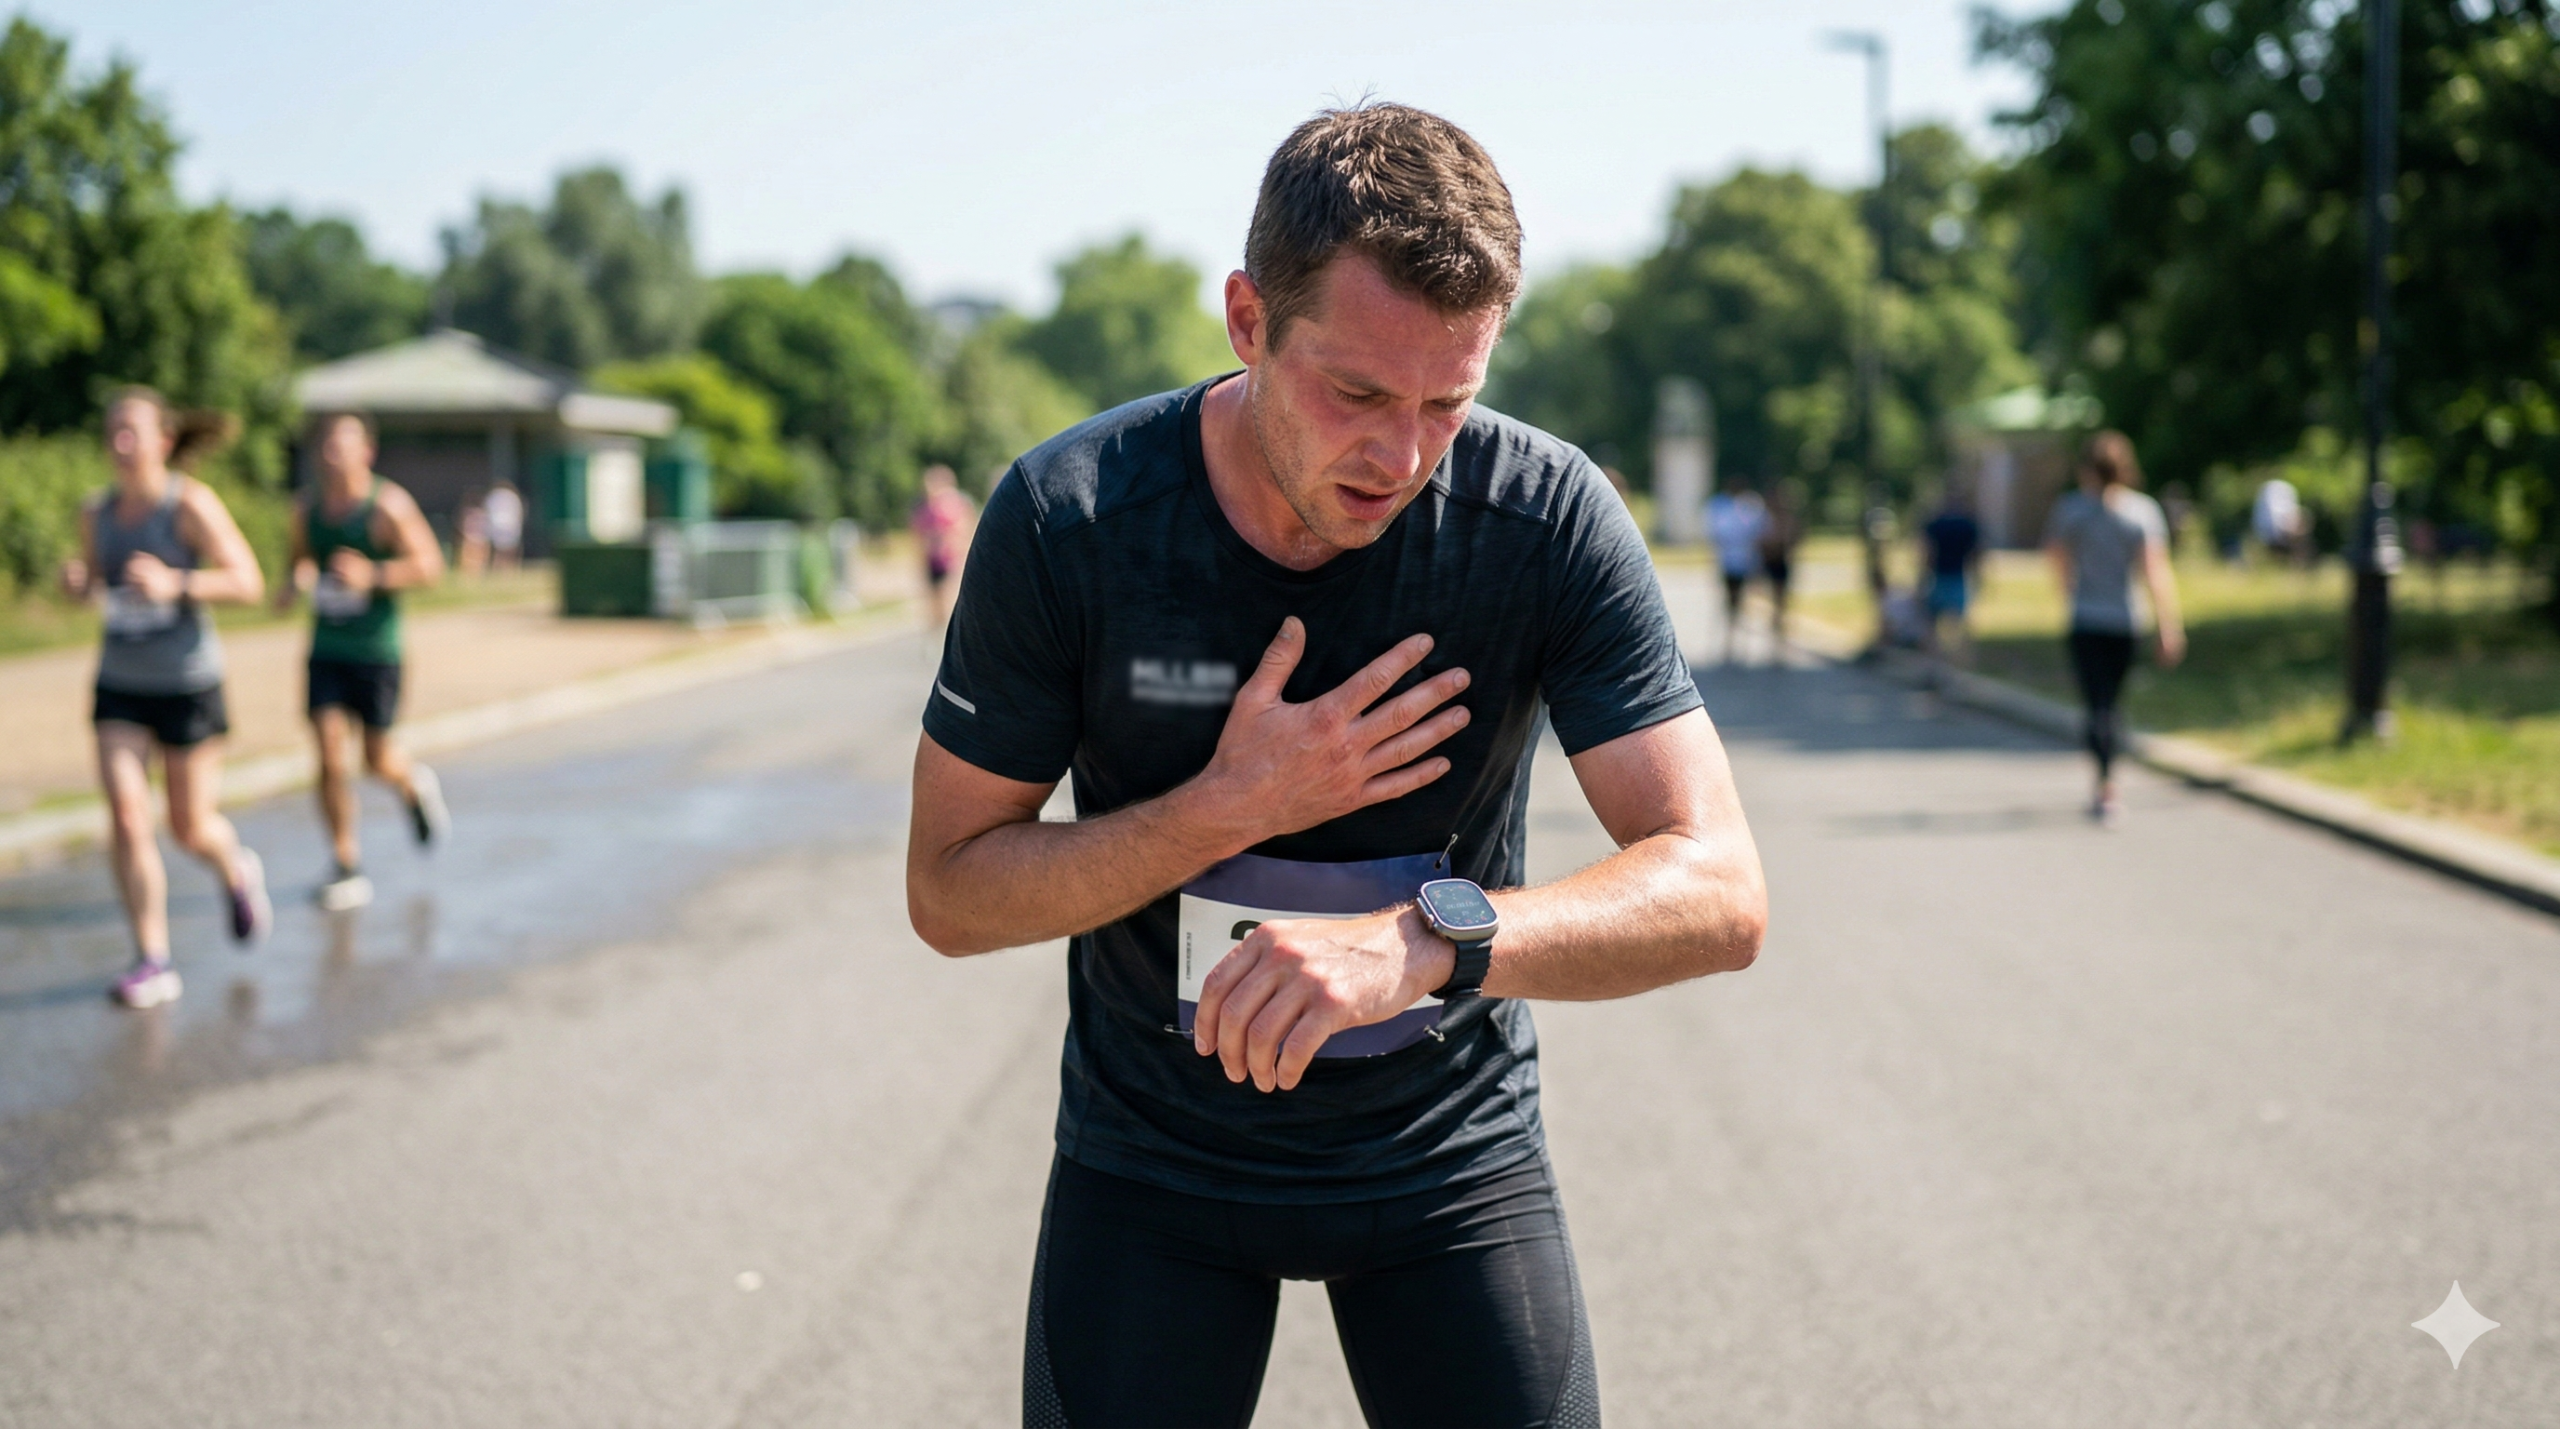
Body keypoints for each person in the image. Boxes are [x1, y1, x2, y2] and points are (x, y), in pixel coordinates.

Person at [907, 103, 1766, 1428]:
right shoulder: (1067, 518)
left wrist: (1428, 942)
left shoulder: (1544, 519)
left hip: (1448, 1166)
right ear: (1247, 321)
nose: (1403, 456)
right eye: (1357, 394)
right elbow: (950, 892)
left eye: (1449, 403)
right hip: (1153, 1173)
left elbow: (1719, 889)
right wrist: (1222, 808)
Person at [59, 389, 272, 1008]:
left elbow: (249, 581)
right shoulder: (96, 512)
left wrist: (175, 583)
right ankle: (152, 959)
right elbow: (96, 582)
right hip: (120, 682)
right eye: (113, 431)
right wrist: (79, 583)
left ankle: (234, 868)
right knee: (128, 817)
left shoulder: (189, 504)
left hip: (187, 683)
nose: (120, 443)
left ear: (164, 441)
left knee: (188, 827)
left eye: (132, 430)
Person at [276, 413, 450, 911]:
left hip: (377, 651)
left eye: (343, 445)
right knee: (329, 754)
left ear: (367, 452)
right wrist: (294, 583)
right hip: (327, 649)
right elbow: (300, 559)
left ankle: (412, 785)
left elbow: (430, 567)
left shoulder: (387, 506)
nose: (332, 455)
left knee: (376, 759)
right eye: (326, 445)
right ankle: (345, 863)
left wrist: (371, 575)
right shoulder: (306, 509)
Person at [2045, 430, 2186, 825]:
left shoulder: (2071, 510)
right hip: (2126, 619)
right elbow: (2155, 572)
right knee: (2112, 704)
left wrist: (2069, 589)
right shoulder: (2141, 512)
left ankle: (2104, 781)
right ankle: (2108, 782)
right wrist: (2168, 625)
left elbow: (2055, 556)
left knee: (2098, 705)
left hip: (2087, 618)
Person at [1919, 490, 1984, 668]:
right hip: (1958, 579)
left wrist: (1922, 579)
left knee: (1931, 626)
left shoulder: (1936, 524)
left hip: (1938, 578)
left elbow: (1928, 554)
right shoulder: (1968, 525)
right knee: (1959, 628)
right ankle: (1958, 666)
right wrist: (1979, 578)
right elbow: (1976, 554)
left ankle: (1935, 665)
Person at [910, 463, 976, 632]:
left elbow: (964, 530)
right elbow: (918, 535)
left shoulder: (954, 505)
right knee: (934, 603)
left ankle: (952, 632)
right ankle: (940, 634)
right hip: (932, 560)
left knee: (949, 598)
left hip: (951, 559)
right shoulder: (925, 509)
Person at [1705, 486, 1767, 663]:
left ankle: (1738, 641)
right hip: (1731, 564)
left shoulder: (1748, 510)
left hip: (1744, 563)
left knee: (1743, 603)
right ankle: (1731, 640)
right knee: (1732, 602)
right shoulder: (1727, 511)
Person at [1757, 482, 1804, 653]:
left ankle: (1778, 636)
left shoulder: (1787, 518)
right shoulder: (1763, 518)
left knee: (1780, 601)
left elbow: (1794, 539)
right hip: (1767, 562)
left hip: (1781, 562)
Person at [481, 483, 524, 572]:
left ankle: (500, 567)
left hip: (499, 525)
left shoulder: (495, 496)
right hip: (508, 525)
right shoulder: (511, 496)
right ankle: (508, 568)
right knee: (507, 550)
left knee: (500, 550)